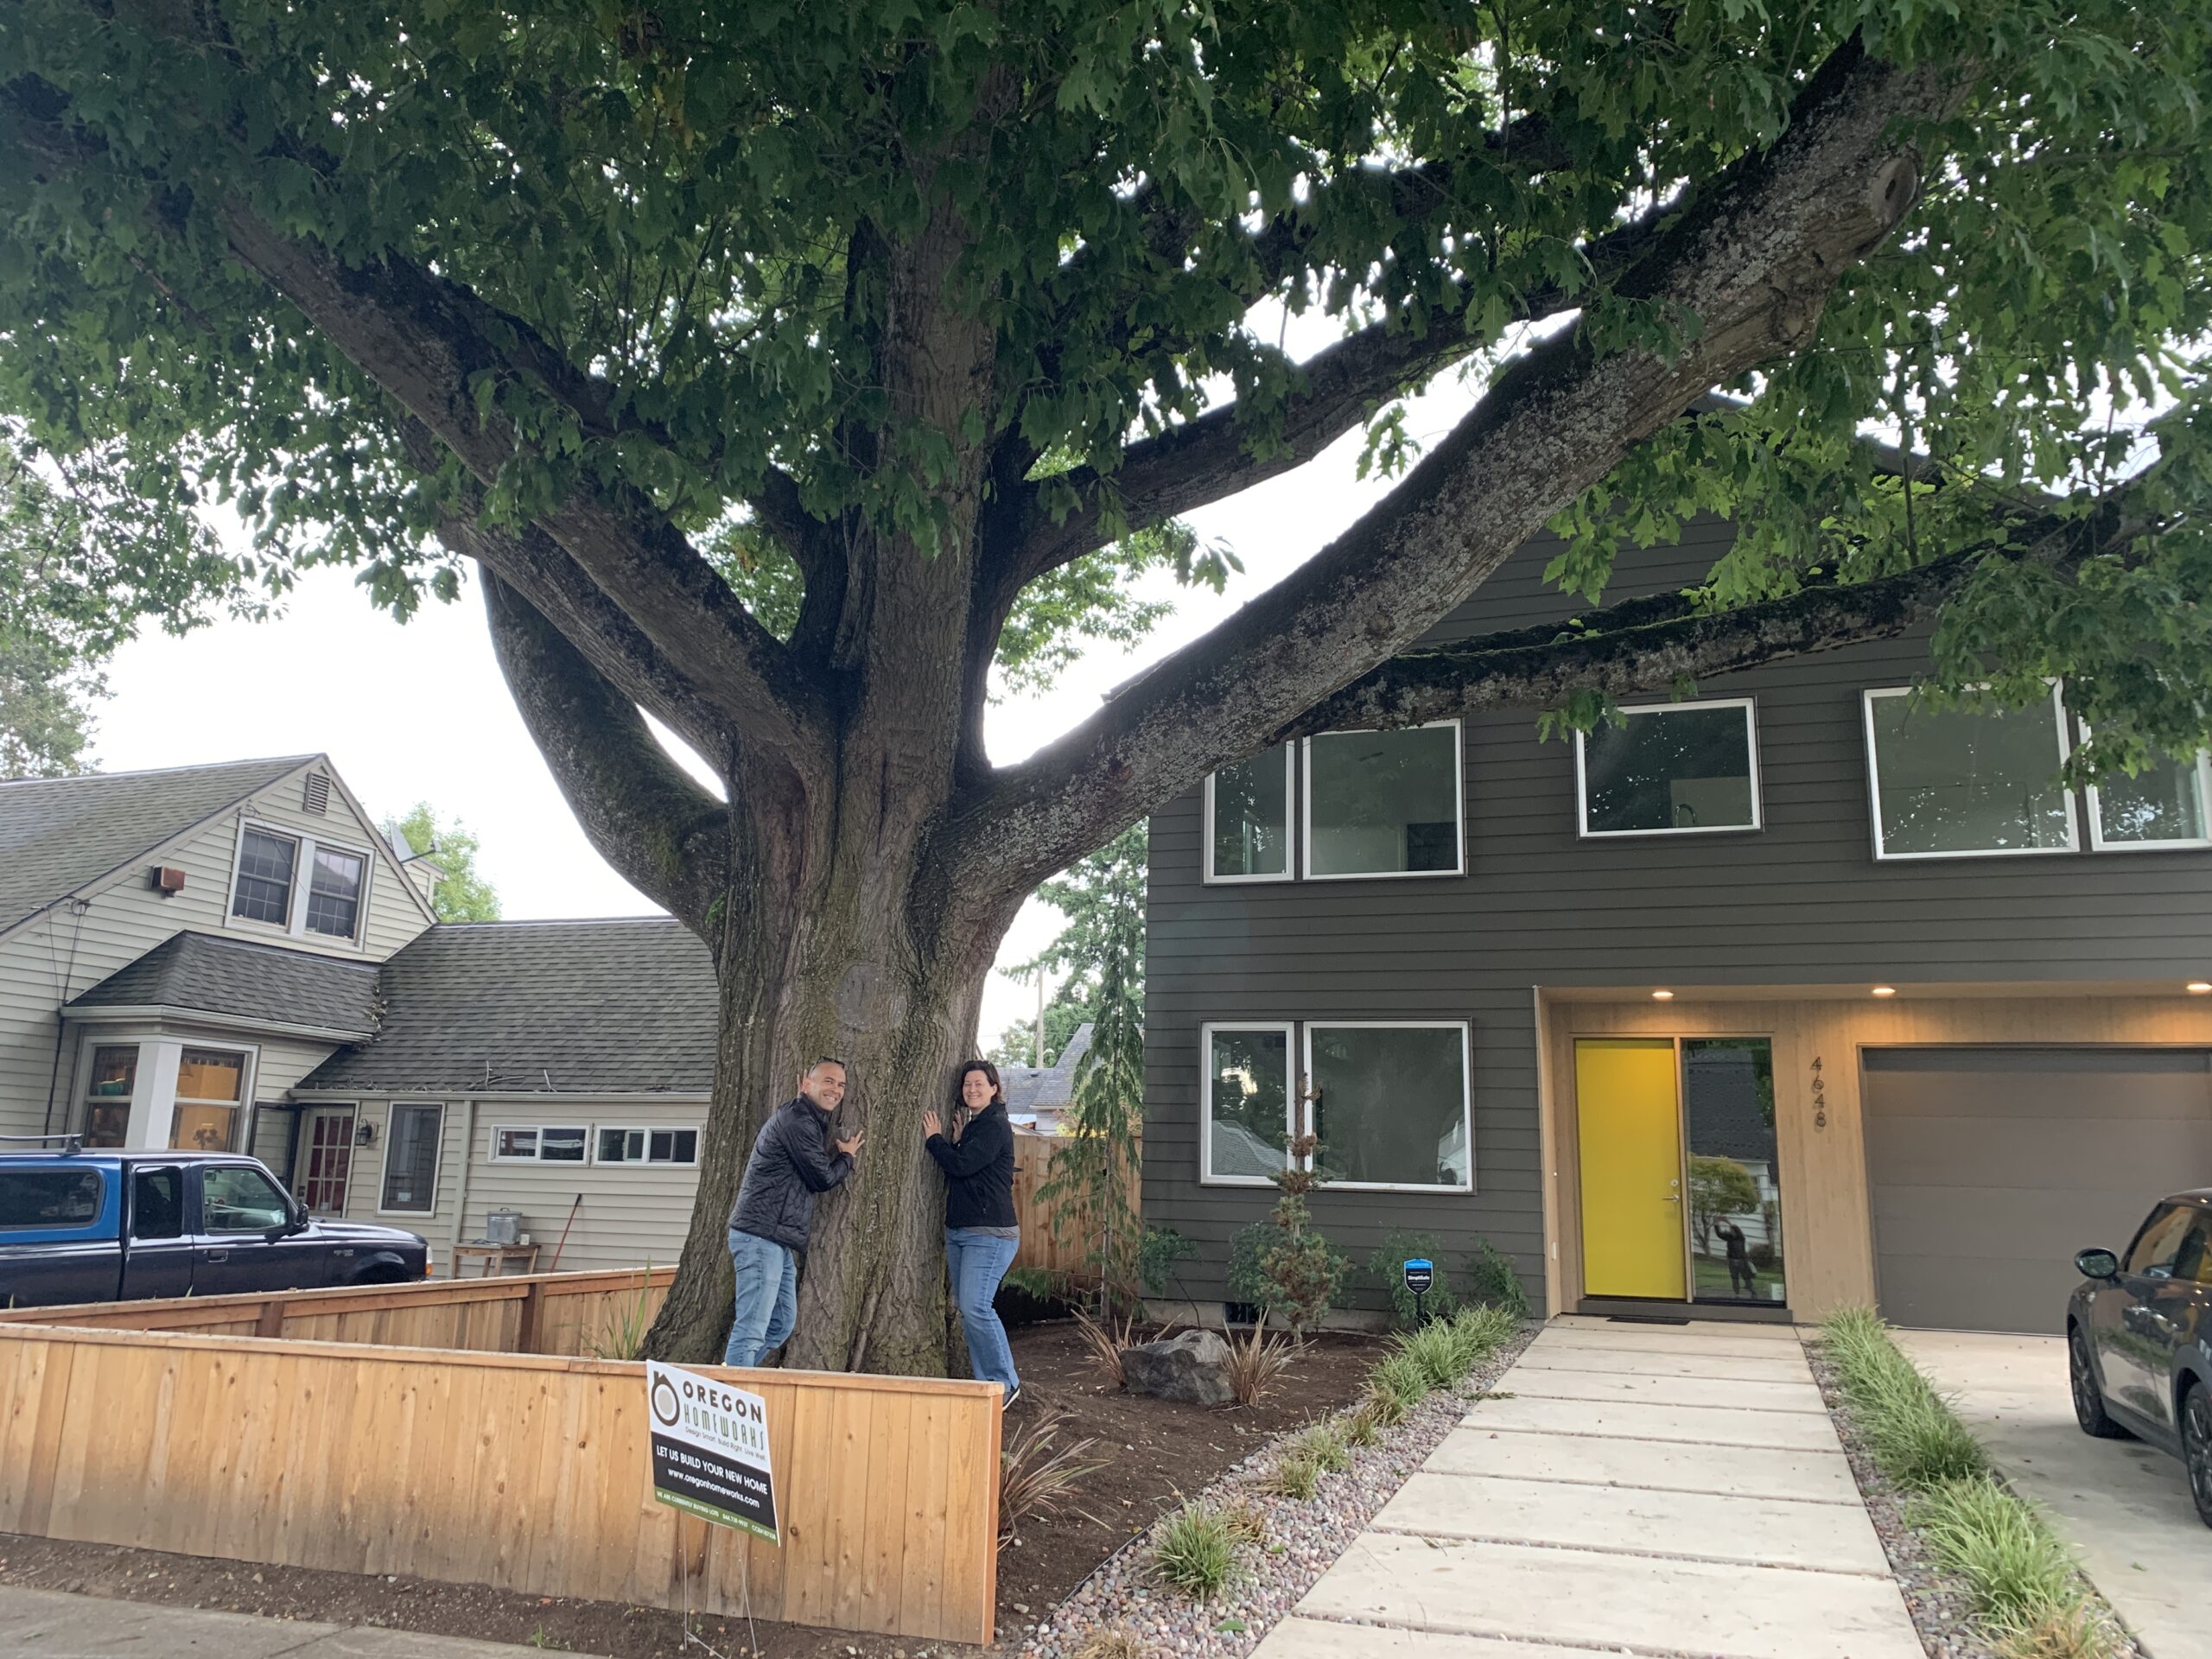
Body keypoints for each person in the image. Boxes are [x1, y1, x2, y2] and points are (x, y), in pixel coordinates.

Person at [722, 1058, 864, 1368]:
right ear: (805, 1084)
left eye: (841, 1085)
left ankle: (734, 1376)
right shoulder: (797, 1120)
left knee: (781, 1323)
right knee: (752, 1329)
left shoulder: (808, 1122)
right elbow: (822, 1178)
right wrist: (847, 1158)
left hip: (777, 1238)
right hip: (760, 1236)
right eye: (828, 1081)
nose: (836, 1089)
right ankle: (732, 1398)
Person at [924, 1060, 1020, 1404]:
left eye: (980, 1083)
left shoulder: (995, 1125)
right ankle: (986, 1384)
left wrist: (935, 1141)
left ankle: (1006, 1382)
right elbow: (969, 1164)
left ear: (994, 1088)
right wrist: (958, 1142)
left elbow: (962, 1166)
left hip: (990, 1234)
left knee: (976, 1306)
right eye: (967, 1084)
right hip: (962, 1231)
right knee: (968, 1308)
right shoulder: (978, 1126)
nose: (972, 1089)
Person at [1716, 1217, 1758, 1296]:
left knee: (1746, 1277)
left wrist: (1728, 1222)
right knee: (1735, 1277)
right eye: (1730, 1230)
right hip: (1733, 1260)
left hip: (1741, 1261)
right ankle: (1737, 1293)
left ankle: (1751, 1290)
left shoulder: (1741, 1238)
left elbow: (1733, 1232)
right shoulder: (1730, 1238)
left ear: (1736, 1231)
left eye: (1732, 1230)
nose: (1730, 1231)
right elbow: (1719, 1234)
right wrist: (1717, 1224)